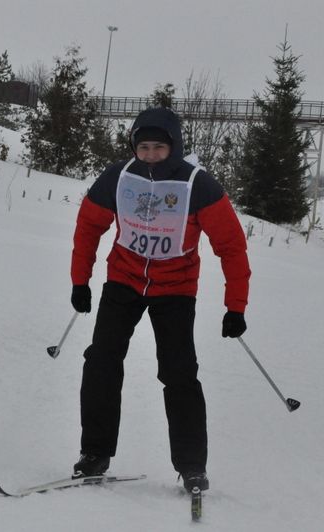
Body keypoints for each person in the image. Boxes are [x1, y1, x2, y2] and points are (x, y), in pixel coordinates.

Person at [69, 107, 250, 493]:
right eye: (144, 147)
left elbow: (231, 246)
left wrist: (236, 306)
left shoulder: (197, 184)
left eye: (159, 148)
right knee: (101, 360)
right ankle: (94, 453)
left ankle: (191, 466)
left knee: (178, 372)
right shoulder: (118, 177)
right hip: (123, 280)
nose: (150, 154)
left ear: (175, 147)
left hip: (175, 289)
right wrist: (79, 281)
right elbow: (88, 226)